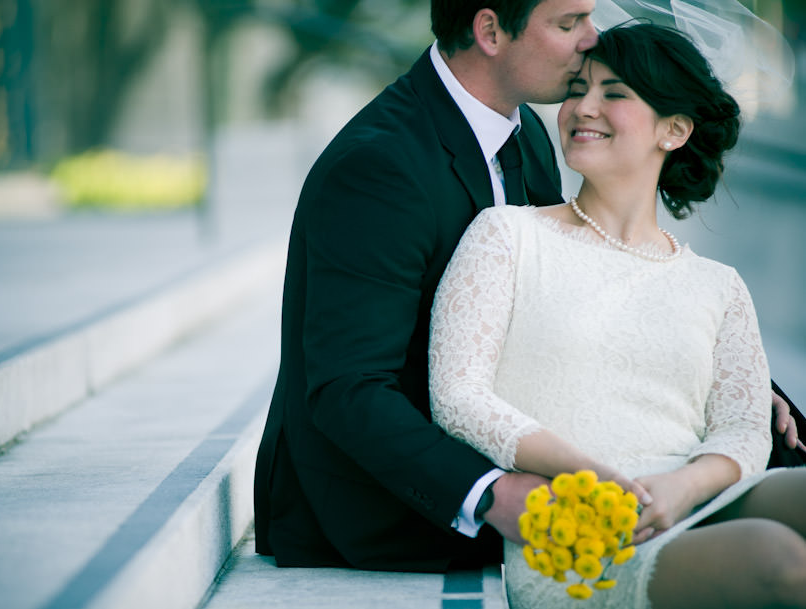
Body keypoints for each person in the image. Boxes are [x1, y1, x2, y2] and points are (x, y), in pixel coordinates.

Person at [253, 0, 802, 573]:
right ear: (490, 30)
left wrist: (719, 374)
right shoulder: (381, 164)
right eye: (569, 24)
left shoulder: (528, 136)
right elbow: (348, 388)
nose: (592, 39)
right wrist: (490, 492)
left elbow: (575, 284)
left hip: (562, 465)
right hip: (391, 503)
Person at [429, 22, 806, 608]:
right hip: (584, 523)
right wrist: (589, 473)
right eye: (578, 88)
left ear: (674, 129)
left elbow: (743, 429)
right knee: (774, 558)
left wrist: (682, 488)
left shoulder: (719, 285)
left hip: (691, 495)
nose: (583, 107)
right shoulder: (508, 236)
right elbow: (458, 395)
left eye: (615, 93)